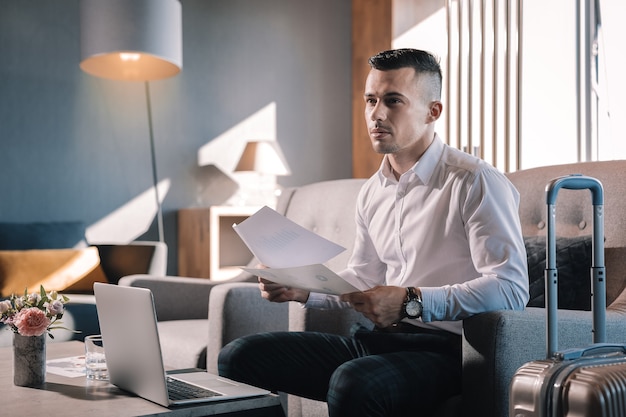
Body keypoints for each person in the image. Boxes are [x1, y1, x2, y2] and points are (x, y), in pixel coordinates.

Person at [218, 48, 529, 416]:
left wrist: (411, 299)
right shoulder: (372, 190)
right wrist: (304, 289)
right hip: (378, 342)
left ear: (433, 111)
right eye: (371, 100)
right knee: (239, 357)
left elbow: (511, 290)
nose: (376, 114)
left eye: (393, 101)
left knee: (354, 381)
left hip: (452, 351)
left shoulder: (474, 181)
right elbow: (365, 276)